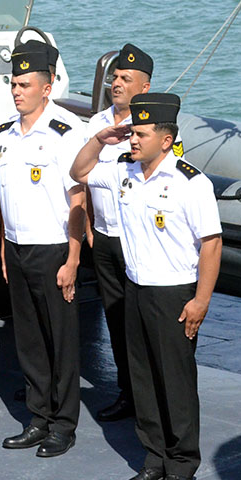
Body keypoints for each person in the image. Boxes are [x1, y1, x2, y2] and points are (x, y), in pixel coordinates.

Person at [71, 92, 221, 480]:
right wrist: (101, 139)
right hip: (134, 288)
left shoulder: (191, 182)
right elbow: (78, 171)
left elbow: (211, 244)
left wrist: (201, 301)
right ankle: (154, 459)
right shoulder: (123, 170)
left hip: (174, 293)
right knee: (142, 379)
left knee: (174, 381)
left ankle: (181, 465)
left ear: (166, 139)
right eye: (132, 133)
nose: (133, 139)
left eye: (141, 134)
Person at [0, 39, 86, 458]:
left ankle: (63, 424)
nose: (16, 91)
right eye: (14, 84)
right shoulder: (5, 134)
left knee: (59, 340)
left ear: (46, 88)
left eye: (24, 85)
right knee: (28, 339)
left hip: (53, 250)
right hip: (17, 248)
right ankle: (38, 417)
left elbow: (78, 199)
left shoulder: (65, 132)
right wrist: (4, 252)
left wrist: (73, 258)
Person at [84, 43, 156, 422]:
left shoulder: (153, 130)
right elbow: (83, 177)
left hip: (137, 241)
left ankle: (149, 398)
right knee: (115, 320)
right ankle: (127, 392)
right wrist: (89, 225)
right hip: (104, 238)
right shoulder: (96, 125)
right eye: (115, 77)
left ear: (144, 87)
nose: (117, 83)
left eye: (126, 78)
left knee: (141, 322)